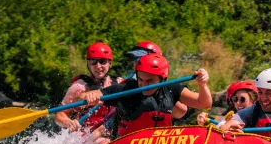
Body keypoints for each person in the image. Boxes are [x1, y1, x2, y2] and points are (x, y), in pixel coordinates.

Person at [82, 54, 212, 137]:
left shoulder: (172, 89)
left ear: (162, 79)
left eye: (150, 81)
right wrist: (89, 96)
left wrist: (202, 85)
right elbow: (84, 96)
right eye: (141, 80)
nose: (144, 85)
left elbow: (204, 103)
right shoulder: (126, 89)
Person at [55, 42, 122, 132]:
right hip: (87, 135)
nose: (98, 66)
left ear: (110, 63)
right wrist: (69, 122)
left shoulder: (119, 83)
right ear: (88, 64)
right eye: (93, 62)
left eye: (102, 61)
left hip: (112, 132)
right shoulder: (78, 87)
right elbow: (60, 114)